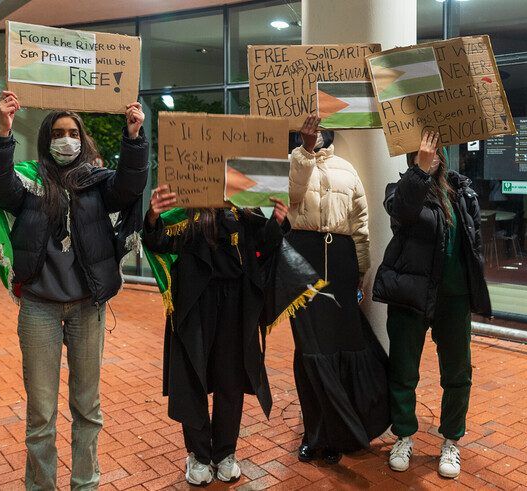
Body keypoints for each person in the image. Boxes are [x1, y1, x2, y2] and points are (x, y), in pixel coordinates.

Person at [0, 91, 149, 489]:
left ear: (83, 138)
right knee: (41, 413)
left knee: (87, 408)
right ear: (46, 138)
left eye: (73, 132)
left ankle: (85, 484)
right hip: (39, 309)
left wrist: (134, 137)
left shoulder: (97, 183)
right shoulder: (29, 184)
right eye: (58, 132)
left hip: (87, 308)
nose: (66, 139)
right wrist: (3, 130)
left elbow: (129, 186)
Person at [142, 188, 291, 486]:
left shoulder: (244, 207)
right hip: (195, 304)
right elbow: (158, 241)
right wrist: (154, 215)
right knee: (192, 376)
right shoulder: (188, 209)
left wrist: (277, 220)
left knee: (231, 379)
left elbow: (264, 245)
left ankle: (225, 452)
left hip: (236, 303)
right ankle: (197, 455)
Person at [373, 131, 491, 479]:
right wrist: (420, 171)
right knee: (404, 369)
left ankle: (451, 440)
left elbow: (474, 243)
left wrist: (474, 288)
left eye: (437, 148)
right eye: (425, 149)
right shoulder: (399, 190)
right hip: (411, 295)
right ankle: (404, 435)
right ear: (413, 154)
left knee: (457, 373)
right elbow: (403, 213)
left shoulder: (463, 191)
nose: (433, 153)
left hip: (454, 298)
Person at [286, 115, 390, 464]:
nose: (318, 132)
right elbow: (291, 197)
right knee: (311, 349)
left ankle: (343, 430)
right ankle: (314, 433)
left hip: (342, 262)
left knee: (344, 346)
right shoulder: (293, 162)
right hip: (303, 261)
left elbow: (360, 223)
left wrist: (361, 268)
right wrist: (304, 151)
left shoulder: (347, 168)